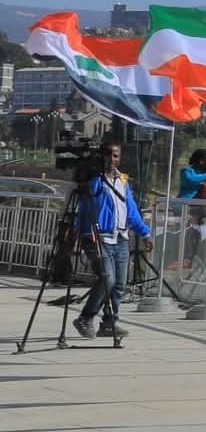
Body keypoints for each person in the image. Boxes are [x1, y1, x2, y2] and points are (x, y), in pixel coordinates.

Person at [74, 142, 152, 341]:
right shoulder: (95, 181)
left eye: (116, 155)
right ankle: (86, 317)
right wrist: (80, 232)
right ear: (101, 157)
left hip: (121, 238)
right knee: (107, 278)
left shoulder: (122, 181)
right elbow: (85, 207)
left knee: (119, 285)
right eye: (108, 154)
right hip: (98, 237)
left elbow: (130, 211)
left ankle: (109, 322)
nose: (112, 159)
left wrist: (145, 233)